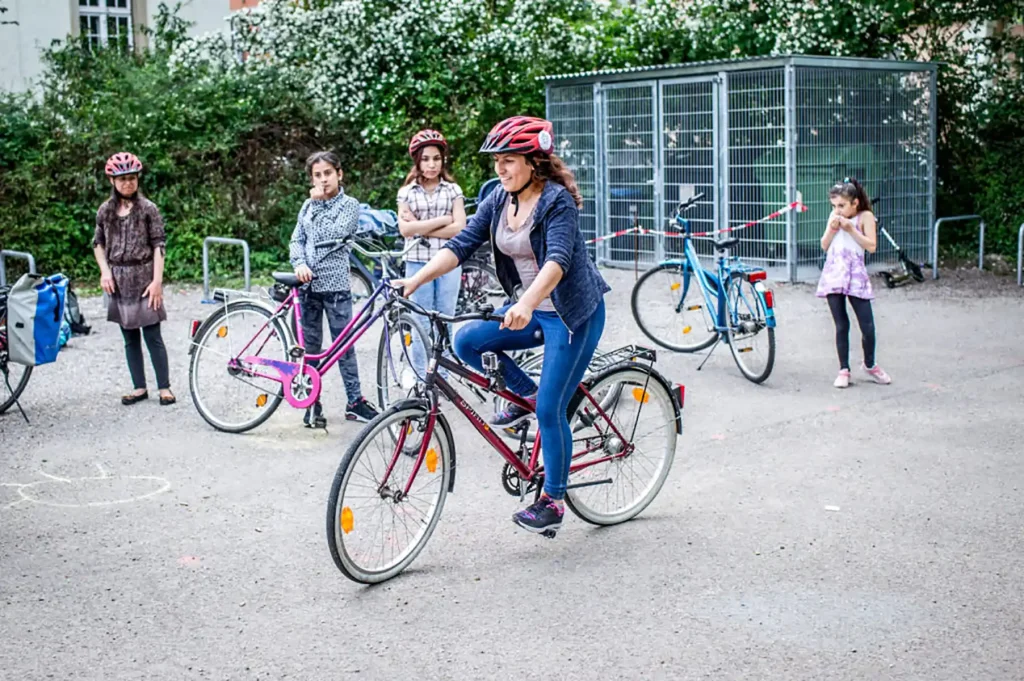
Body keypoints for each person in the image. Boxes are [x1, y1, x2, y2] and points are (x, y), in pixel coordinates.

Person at [393, 116, 611, 537]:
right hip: (530, 311)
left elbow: (558, 260)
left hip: (570, 315)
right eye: (498, 161)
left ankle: (553, 500)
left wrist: (527, 303)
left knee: (552, 409)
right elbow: (461, 244)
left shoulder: (556, 201)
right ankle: (526, 394)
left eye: (509, 161)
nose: (501, 169)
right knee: (468, 341)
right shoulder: (498, 198)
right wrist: (415, 280)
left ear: (534, 161)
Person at [289, 151, 379, 426]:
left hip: (336, 286)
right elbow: (296, 240)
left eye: (327, 173)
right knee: (309, 347)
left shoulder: (349, 205)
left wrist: (317, 205)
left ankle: (355, 402)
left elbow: (334, 234)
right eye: (317, 175)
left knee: (343, 346)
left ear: (339, 174)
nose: (323, 180)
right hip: (307, 286)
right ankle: (312, 404)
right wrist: (299, 263)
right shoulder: (307, 205)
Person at [92, 152, 175, 406]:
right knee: (129, 337)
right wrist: (105, 271)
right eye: (122, 179)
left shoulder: (148, 209)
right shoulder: (106, 211)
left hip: (144, 277)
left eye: (131, 178)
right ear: (112, 181)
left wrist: (157, 281)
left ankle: (164, 387)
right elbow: (98, 243)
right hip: (119, 280)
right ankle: (139, 387)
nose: (127, 183)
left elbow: (159, 245)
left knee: (152, 335)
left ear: (137, 179)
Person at [396, 129, 466, 381]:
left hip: (448, 262)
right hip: (416, 262)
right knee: (420, 321)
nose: (431, 164)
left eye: (436, 158)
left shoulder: (452, 190)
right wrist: (443, 220)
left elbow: (460, 228)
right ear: (417, 160)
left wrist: (422, 226)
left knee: (444, 319)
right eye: (426, 159)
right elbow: (405, 229)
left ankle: (443, 375)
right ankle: (418, 374)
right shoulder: (407, 192)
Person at [816, 177, 891, 388]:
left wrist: (850, 229)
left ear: (854, 203)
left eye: (842, 206)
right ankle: (843, 369)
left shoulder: (865, 217)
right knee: (841, 324)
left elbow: (871, 246)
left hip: (855, 274)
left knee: (867, 325)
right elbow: (824, 244)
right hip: (834, 273)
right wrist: (832, 229)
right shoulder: (834, 216)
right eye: (834, 206)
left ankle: (870, 364)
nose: (838, 210)